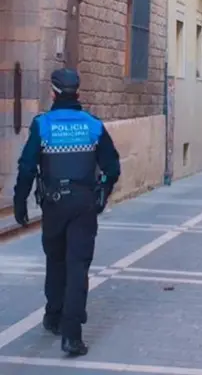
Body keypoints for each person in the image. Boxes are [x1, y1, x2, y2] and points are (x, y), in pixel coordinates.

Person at [13, 68, 121, 356]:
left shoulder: (42, 125)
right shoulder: (93, 125)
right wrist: (102, 195)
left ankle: (53, 316)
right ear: (78, 93)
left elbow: (27, 167)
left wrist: (20, 201)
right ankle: (72, 336)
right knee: (78, 266)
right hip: (84, 205)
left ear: (53, 93)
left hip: (54, 205)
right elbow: (112, 167)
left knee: (56, 260)